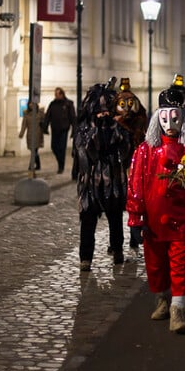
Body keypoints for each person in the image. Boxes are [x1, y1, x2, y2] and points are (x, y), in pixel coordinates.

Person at [126, 77, 185, 334]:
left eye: (176, 119)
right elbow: (136, 185)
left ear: (183, 118)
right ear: (158, 119)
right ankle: (162, 299)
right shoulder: (145, 150)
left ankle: (178, 308)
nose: (170, 125)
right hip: (153, 222)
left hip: (182, 220)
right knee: (155, 265)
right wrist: (135, 219)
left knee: (180, 264)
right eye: (165, 119)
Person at [74, 77, 133, 270]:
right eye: (100, 111)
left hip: (113, 179)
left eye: (107, 109)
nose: (103, 114)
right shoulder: (84, 129)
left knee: (115, 218)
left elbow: (125, 150)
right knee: (88, 220)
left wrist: (114, 130)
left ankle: (117, 250)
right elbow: (85, 153)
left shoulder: (118, 128)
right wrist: (98, 133)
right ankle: (85, 258)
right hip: (91, 181)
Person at [113, 77, 148, 254]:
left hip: (135, 166)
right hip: (118, 168)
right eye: (122, 103)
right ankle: (116, 241)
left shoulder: (139, 120)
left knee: (135, 201)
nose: (126, 106)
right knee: (118, 205)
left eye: (129, 102)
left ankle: (134, 236)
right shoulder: (114, 122)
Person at [42, 87, 76, 175]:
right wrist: (45, 127)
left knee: (62, 148)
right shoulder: (53, 104)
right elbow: (48, 116)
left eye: (57, 94)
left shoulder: (68, 104)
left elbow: (72, 118)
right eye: (55, 94)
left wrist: (74, 130)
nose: (56, 96)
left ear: (62, 94)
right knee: (54, 147)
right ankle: (60, 161)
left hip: (64, 129)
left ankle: (61, 166)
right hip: (55, 128)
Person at [18, 101, 45, 171]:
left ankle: (31, 165)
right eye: (30, 104)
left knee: (34, 150)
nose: (31, 105)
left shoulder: (40, 113)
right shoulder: (26, 114)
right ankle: (38, 165)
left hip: (38, 134)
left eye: (32, 104)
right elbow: (24, 124)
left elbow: (45, 121)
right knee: (34, 151)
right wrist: (21, 133)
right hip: (30, 134)